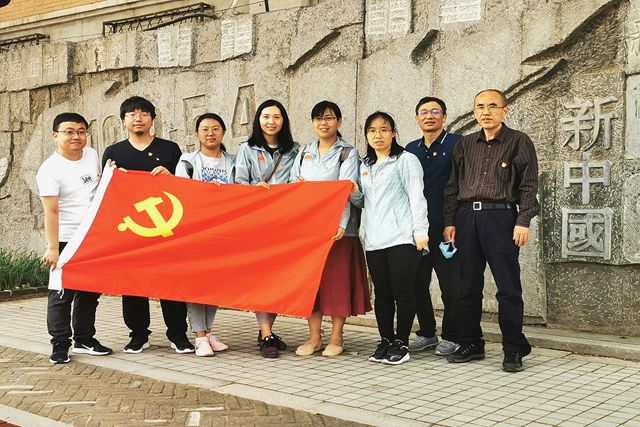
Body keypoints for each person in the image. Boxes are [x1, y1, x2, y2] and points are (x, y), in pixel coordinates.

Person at [443, 89, 540, 372]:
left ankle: (514, 349)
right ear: (474, 111)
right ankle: (471, 342)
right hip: (466, 219)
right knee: (467, 286)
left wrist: (523, 220)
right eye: (480, 107)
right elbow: (453, 186)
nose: (486, 112)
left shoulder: (519, 141)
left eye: (493, 106)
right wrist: (450, 221)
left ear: (505, 110)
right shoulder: (465, 144)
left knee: (508, 288)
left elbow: (529, 185)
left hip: (501, 219)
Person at [102, 96, 193, 355]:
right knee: (133, 284)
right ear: (123, 121)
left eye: (143, 113)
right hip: (131, 230)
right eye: (132, 114)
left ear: (152, 118)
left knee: (171, 282)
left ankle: (178, 335)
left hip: (167, 227)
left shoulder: (170, 149)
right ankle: (138, 335)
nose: (138, 118)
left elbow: (186, 186)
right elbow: (105, 193)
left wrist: (170, 176)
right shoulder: (113, 153)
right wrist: (112, 178)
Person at [289, 101, 371, 358]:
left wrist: (341, 224)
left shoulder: (347, 152)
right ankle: (314, 337)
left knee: (337, 284)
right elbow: (292, 184)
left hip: (339, 231)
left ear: (339, 121)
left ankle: (337, 336)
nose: (323, 123)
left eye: (329, 118)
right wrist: (298, 185)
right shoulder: (304, 151)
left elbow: (344, 189)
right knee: (311, 285)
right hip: (309, 230)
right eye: (318, 118)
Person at [351, 111, 429, 365]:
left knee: (403, 292)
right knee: (382, 293)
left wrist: (421, 232)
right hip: (374, 239)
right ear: (366, 135)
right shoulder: (365, 165)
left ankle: (401, 342)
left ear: (394, 133)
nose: (378, 135)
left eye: (384, 130)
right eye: (372, 130)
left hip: (402, 237)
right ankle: (385, 340)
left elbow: (417, 197)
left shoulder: (406, 160)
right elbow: (365, 202)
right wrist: (354, 193)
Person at [36, 112, 113, 364]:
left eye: (81, 131)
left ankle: (84, 339)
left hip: (93, 236)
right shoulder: (49, 170)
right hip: (65, 239)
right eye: (69, 132)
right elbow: (51, 211)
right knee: (61, 294)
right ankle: (60, 344)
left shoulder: (91, 155)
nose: (76, 136)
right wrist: (53, 248)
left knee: (89, 293)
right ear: (55, 135)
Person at [234, 99, 300, 358]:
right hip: (257, 223)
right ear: (258, 120)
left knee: (277, 280)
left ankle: (267, 331)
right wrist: (254, 189)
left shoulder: (295, 150)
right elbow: (238, 183)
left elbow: (297, 181)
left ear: (284, 121)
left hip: (285, 224)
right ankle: (265, 333)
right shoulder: (246, 149)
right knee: (261, 280)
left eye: (276, 117)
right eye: (265, 116)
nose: (271, 122)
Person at [405, 97, 462, 356]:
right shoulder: (410, 149)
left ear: (444, 116)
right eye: (424, 112)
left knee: (451, 283)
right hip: (417, 228)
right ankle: (427, 333)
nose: (429, 116)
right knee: (417, 282)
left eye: (435, 111)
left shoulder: (457, 143)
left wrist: (453, 221)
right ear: (417, 118)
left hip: (446, 227)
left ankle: (453, 335)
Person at [175, 113, 233, 357]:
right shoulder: (187, 162)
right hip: (196, 231)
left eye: (216, 128)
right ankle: (199, 336)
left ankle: (209, 333)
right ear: (197, 133)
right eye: (205, 129)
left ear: (223, 132)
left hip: (224, 232)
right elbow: (181, 192)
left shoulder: (233, 161)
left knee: (215, 283)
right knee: (197, 283)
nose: (211, 133)